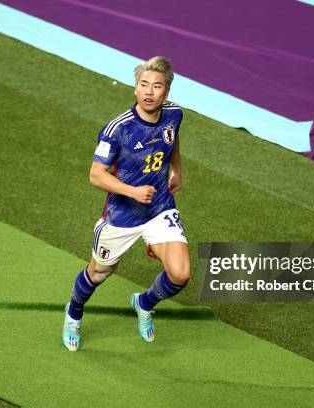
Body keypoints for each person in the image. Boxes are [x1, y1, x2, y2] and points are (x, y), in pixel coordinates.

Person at [62, 56, 190, 351]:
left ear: (166, 92)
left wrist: (177, 170)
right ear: (135, 88)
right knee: (100, 273)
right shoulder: (116, 129)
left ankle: (144, 303)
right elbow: (96, 175)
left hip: (159, 207)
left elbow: (172, 140)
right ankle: (73, 313)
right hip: (122, 215)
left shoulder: (175, 115)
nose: (149, 91)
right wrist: (132, 191)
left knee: (181, 273)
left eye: (156, 86)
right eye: (143, 84)